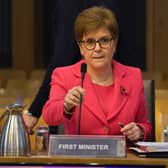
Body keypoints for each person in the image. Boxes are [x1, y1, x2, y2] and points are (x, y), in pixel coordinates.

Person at [42, 6, 151, 143]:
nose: (97, 48)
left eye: (104, 40)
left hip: (123, 160)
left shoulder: (133, 76)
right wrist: (66, 105)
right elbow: (49, 115)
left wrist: (139, 131)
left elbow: (145, 124)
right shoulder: (64, 75)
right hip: (80, 161)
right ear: (81, 48)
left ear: (115, 44)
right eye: (90, 42)